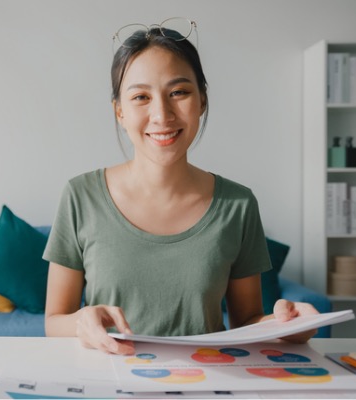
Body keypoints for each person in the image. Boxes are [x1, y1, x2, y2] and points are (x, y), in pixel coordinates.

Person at [43, 18, 318, 356]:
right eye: (141, 97)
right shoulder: (79, 196)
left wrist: (287, 326)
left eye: (179, 92)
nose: (162, 114)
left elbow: (246, 320)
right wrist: (82, 322)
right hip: (112, 382)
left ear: (202, 100)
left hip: (207, 381)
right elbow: (54, 320)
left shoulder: (238, 203)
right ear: (119, 112)